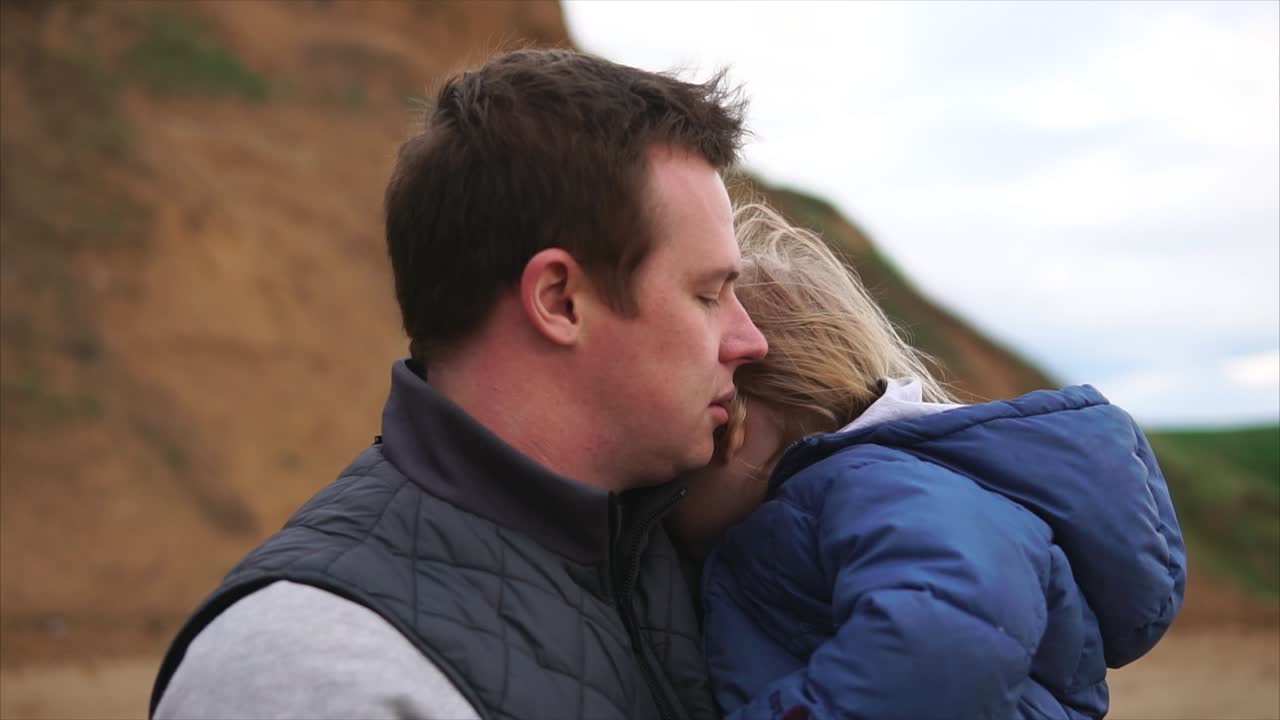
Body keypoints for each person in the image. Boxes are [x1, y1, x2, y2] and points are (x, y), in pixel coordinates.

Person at [149, 49, 768, 720]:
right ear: (560, 300)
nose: (749, 340)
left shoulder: (688, 559)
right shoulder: (306, 671)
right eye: (708, 295)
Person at [668, 204, 1187, 720]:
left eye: (693, 420)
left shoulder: (878, 485)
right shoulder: (856, 492)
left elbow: (947, 636)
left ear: (743, 416)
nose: (670, 473)